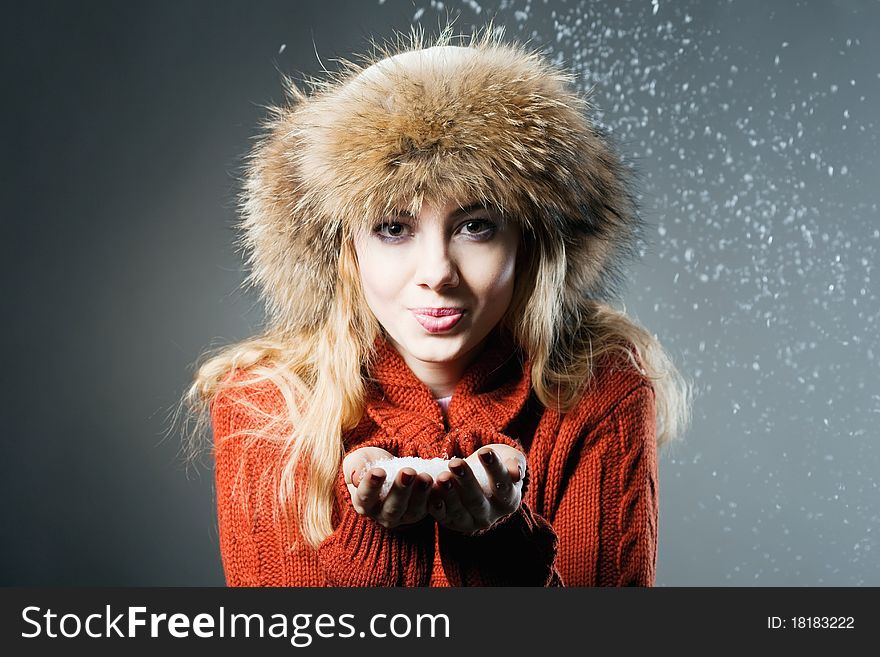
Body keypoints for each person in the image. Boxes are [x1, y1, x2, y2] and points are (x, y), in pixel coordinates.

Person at [184, 25, 692, 587]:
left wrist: (499, 552)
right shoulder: (266, 407)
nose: (436, 274)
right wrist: (380, 545)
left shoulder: (603, 386)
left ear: (529, 241)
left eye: (475, 226)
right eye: (393, 228)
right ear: (345, 248)